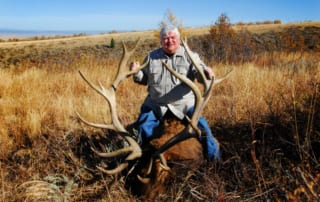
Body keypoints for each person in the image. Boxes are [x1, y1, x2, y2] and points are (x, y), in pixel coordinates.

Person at [129, 25, 220, 161]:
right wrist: (136, 72)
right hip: (156, 105)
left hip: (184, 106)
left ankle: (216, 164)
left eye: (172, 38)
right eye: (166, 38)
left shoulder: (190, 56)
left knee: (204, 132)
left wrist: (206, 73)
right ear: (161, 41)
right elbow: (143, 79)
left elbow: (200, 72)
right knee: (142, 129)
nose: (169, 41)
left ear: (178, 39)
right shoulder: (151, 57)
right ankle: (144, 161)